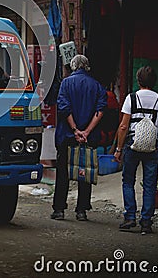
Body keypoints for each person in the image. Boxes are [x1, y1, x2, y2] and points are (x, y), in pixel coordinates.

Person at [51, 54, 107, 222]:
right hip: (88, 139)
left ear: (73, 66)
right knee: (85, 172)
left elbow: (64, 108)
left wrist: (75, 130)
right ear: (87, 66)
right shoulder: (97, 86)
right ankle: (81, 210)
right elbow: (101, 110)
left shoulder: (66, 84)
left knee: (63, 173)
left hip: (67, 137)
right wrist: (87, 132)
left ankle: (59, 209)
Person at [114, 66, 158, 234]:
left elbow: (124, 126)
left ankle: (130, 217)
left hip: (132, 144)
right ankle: (146, 221)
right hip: (153, 145)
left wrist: (118, 149)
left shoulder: (131, 98)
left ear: (138, 81)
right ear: (154, 82)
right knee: (150, 185)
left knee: (128, 180)